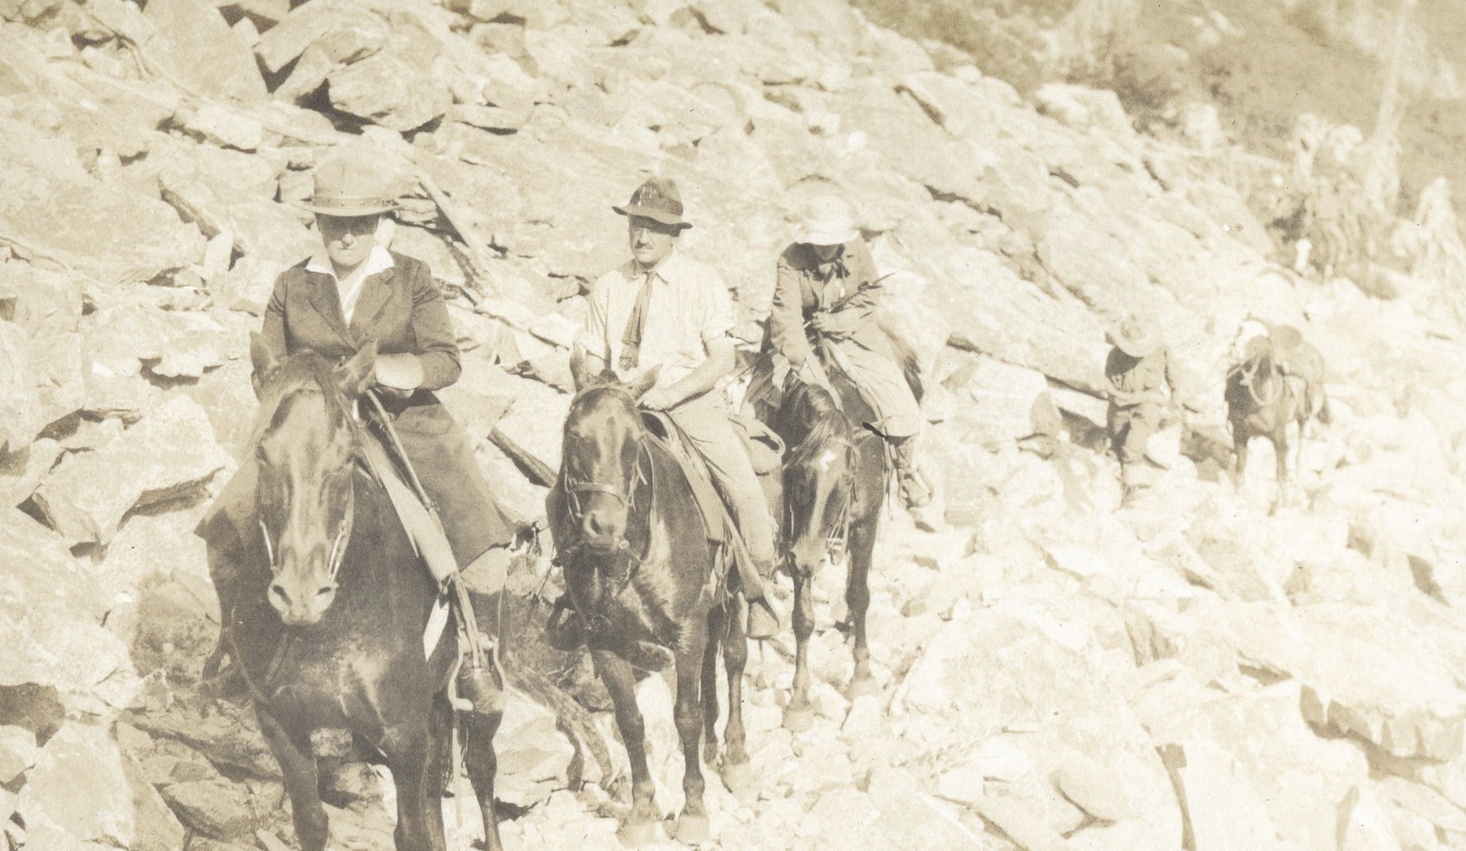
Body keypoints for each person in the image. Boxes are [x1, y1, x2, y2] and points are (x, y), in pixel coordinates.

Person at [203, 145, 514, 595]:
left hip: (401, 421)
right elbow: (265, 372)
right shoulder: (292, 284)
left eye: (360, 225)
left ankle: (477, 643)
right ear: (318, 223)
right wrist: (307, 393)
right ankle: (233, 637)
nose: (347, 237)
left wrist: (386, 371)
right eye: (335, 224)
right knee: (227, 527)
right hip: (312, 427)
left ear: (378, 226)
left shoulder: (411, 278)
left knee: (476, 552)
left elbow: (445, 360)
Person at [562, 175, 782, 638]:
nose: (641, 235)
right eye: (636, 224)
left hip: (686, 402)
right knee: (570, 479)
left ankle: (757, 588)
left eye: (654, 227)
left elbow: (723, 357)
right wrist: (594, 387)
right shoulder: (608, 285)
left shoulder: (701, 282)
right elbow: (595, 356)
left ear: (674, 234)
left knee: (740, 484)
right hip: (621, 405)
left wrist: (672, 394)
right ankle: (571, 587)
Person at [753, 193, 932, 512]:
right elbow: (787, 323)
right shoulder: (790, 261)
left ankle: (906, 472)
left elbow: (869, 296)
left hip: (851, 336)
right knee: (754, 406)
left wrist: (840, 321)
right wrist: (813, 376)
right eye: (819, 243)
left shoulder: (857, 251)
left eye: (831, 242)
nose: (825, 249)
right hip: (799, 341)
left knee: (902, 405)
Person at [1104, 317, 1187, 499]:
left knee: (1133, 444)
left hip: (1149, 405)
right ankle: (1116, 485)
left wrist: (1176, 393)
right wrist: (1147, 396)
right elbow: (1113, 394)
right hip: (1122, 405)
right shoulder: (1114, 357)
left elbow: (1174, 374)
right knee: (1117, 443)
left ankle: (1132, 491)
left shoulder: (1160, 351)